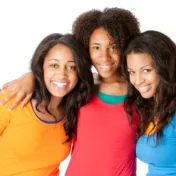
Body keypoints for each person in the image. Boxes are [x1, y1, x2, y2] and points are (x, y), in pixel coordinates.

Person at [0, 8, 140, 176]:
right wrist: (31, 77)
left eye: (113, 46)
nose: (104, 56)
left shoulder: (138, 91)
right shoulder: (80, 90)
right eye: (96, 47)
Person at [0, 33, 94, 176]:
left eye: (71, 67)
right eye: (54, 65)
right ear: (41, 66)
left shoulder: (73, 114)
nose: (62, 74)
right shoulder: (14, 99)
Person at [122, 30, 176, 176]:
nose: (137, 80)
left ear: (164, 67)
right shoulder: (152, 109)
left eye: (146, 70)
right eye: (131, 72)